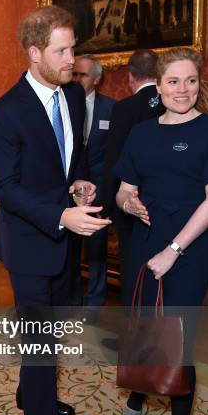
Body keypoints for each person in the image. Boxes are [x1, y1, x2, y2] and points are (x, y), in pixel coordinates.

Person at [0, 6, 111, 415]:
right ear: (34, 53)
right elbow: (6, 188)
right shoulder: (6, 112)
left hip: (67, 239)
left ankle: (28, 392)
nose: (71, 59)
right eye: (61, 50)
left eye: (73, 48)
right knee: (40, 347)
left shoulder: (74, 95)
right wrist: (60, 214)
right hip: (30, 245)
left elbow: (72, 156)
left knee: (53, 333)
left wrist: (78, 183)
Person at [114, 47, 208, 415]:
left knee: (177, 335)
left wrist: (173, 251)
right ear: (159, 83)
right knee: (143, 319)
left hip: (190, 246)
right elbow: (123, 188)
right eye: (174, 81)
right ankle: (141, 387)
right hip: (145, 239)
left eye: (191, 80)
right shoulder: (142, 133)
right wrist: (129, 203)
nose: (183, 90)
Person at [101, 49, 165, 304]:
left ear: (130, 77)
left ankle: (133, 330)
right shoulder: (173, 103)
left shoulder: (125, 108)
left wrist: (105, 203)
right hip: (166, 201)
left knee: (132, 266)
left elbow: (114, 159)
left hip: (131, 201)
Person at [70, 54, 115, 307]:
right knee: (70, 249)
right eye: (74, 73)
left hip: (99, 190)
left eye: (83, 75)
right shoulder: (62, 105)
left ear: (96, 79)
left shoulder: (111, 108)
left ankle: (95, 303)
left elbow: (115, 152)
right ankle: (72, 300)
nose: (76, 79)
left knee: (97, 249)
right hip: (68, 191)